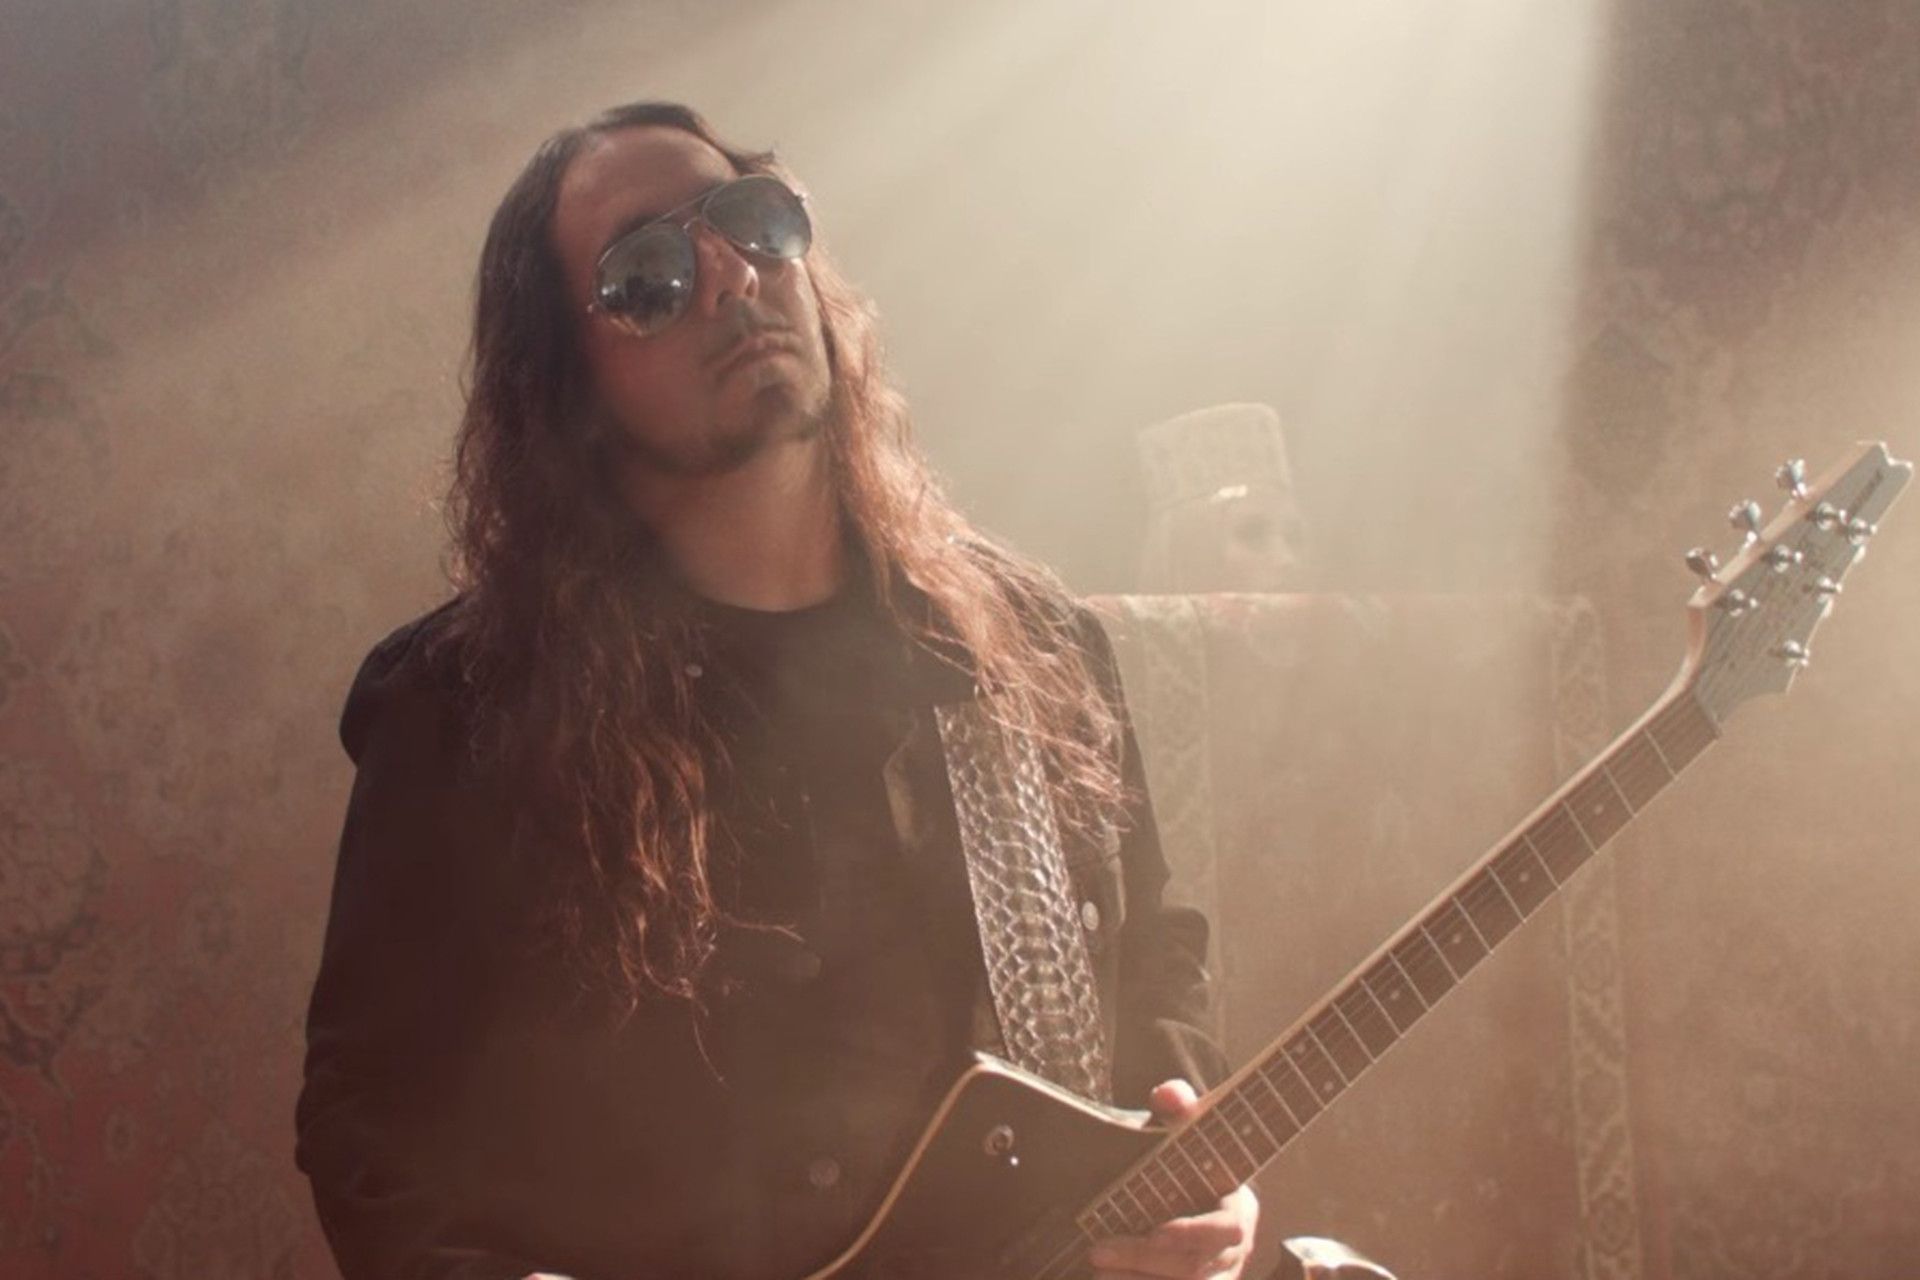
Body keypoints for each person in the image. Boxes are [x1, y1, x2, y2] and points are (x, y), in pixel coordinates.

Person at [294, 100, 1260, 1280]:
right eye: (647, 274)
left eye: (752, 220)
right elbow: (370, 1120)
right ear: (566, 386)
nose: (730, 276)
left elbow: (1154, 954)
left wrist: (1195, 1165)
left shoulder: (1029, 644)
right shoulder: (466, 706)